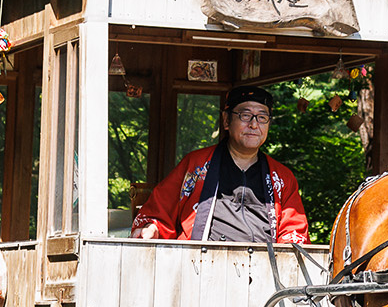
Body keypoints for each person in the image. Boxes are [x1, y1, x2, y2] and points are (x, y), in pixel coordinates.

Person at [132, 84, 309, 245]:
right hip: (203, 265)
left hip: (265, 269)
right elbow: (159, 212)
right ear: (226, 120)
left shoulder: (281, 177)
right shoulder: (196, 165)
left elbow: (294, 230)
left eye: (262, 117)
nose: (254, 124)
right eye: (245, 115)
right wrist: (153, 227)